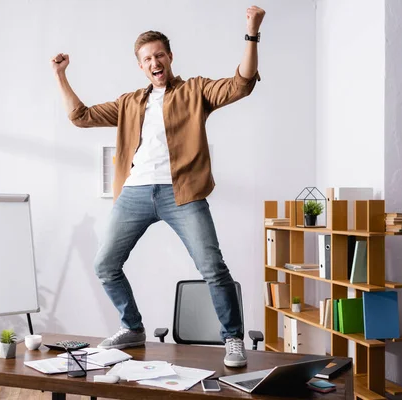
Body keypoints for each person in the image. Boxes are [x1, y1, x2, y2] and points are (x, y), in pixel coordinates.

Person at [52, 6, 265, 367]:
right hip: (135, 193)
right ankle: (133, 328)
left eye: (160, 55)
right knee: (106, 264)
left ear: (170, 57)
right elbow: (80, 116)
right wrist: (60, 75)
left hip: (181, 193)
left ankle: (232, 339)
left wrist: (252, 32)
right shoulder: (129, 103)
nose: (155, 62)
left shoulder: (195, 90)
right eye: (147, 58)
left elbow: (241, 84)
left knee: (212, 267)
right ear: (141, 65)